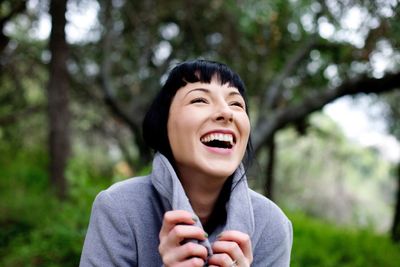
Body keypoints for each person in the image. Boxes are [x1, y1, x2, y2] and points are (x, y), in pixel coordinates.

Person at [80, 59, 293, 266]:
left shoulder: (272, 225)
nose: (226, 113)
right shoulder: (119, 208)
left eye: (236, 103)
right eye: (199, 100)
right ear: (163, 125)